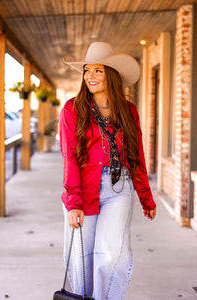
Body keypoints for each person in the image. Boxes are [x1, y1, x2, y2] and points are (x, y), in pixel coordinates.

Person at [59, 42, 156, 300]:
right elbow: (70, 157)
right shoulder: (72, 109)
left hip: (119, 188)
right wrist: (73, 202)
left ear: (111, 75)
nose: (90, 76)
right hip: (83, 188)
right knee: (83, 257)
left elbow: (136, 157)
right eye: (87, 70)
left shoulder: (128, 111)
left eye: (98, 71)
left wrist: (146, 196)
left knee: (112, 253)